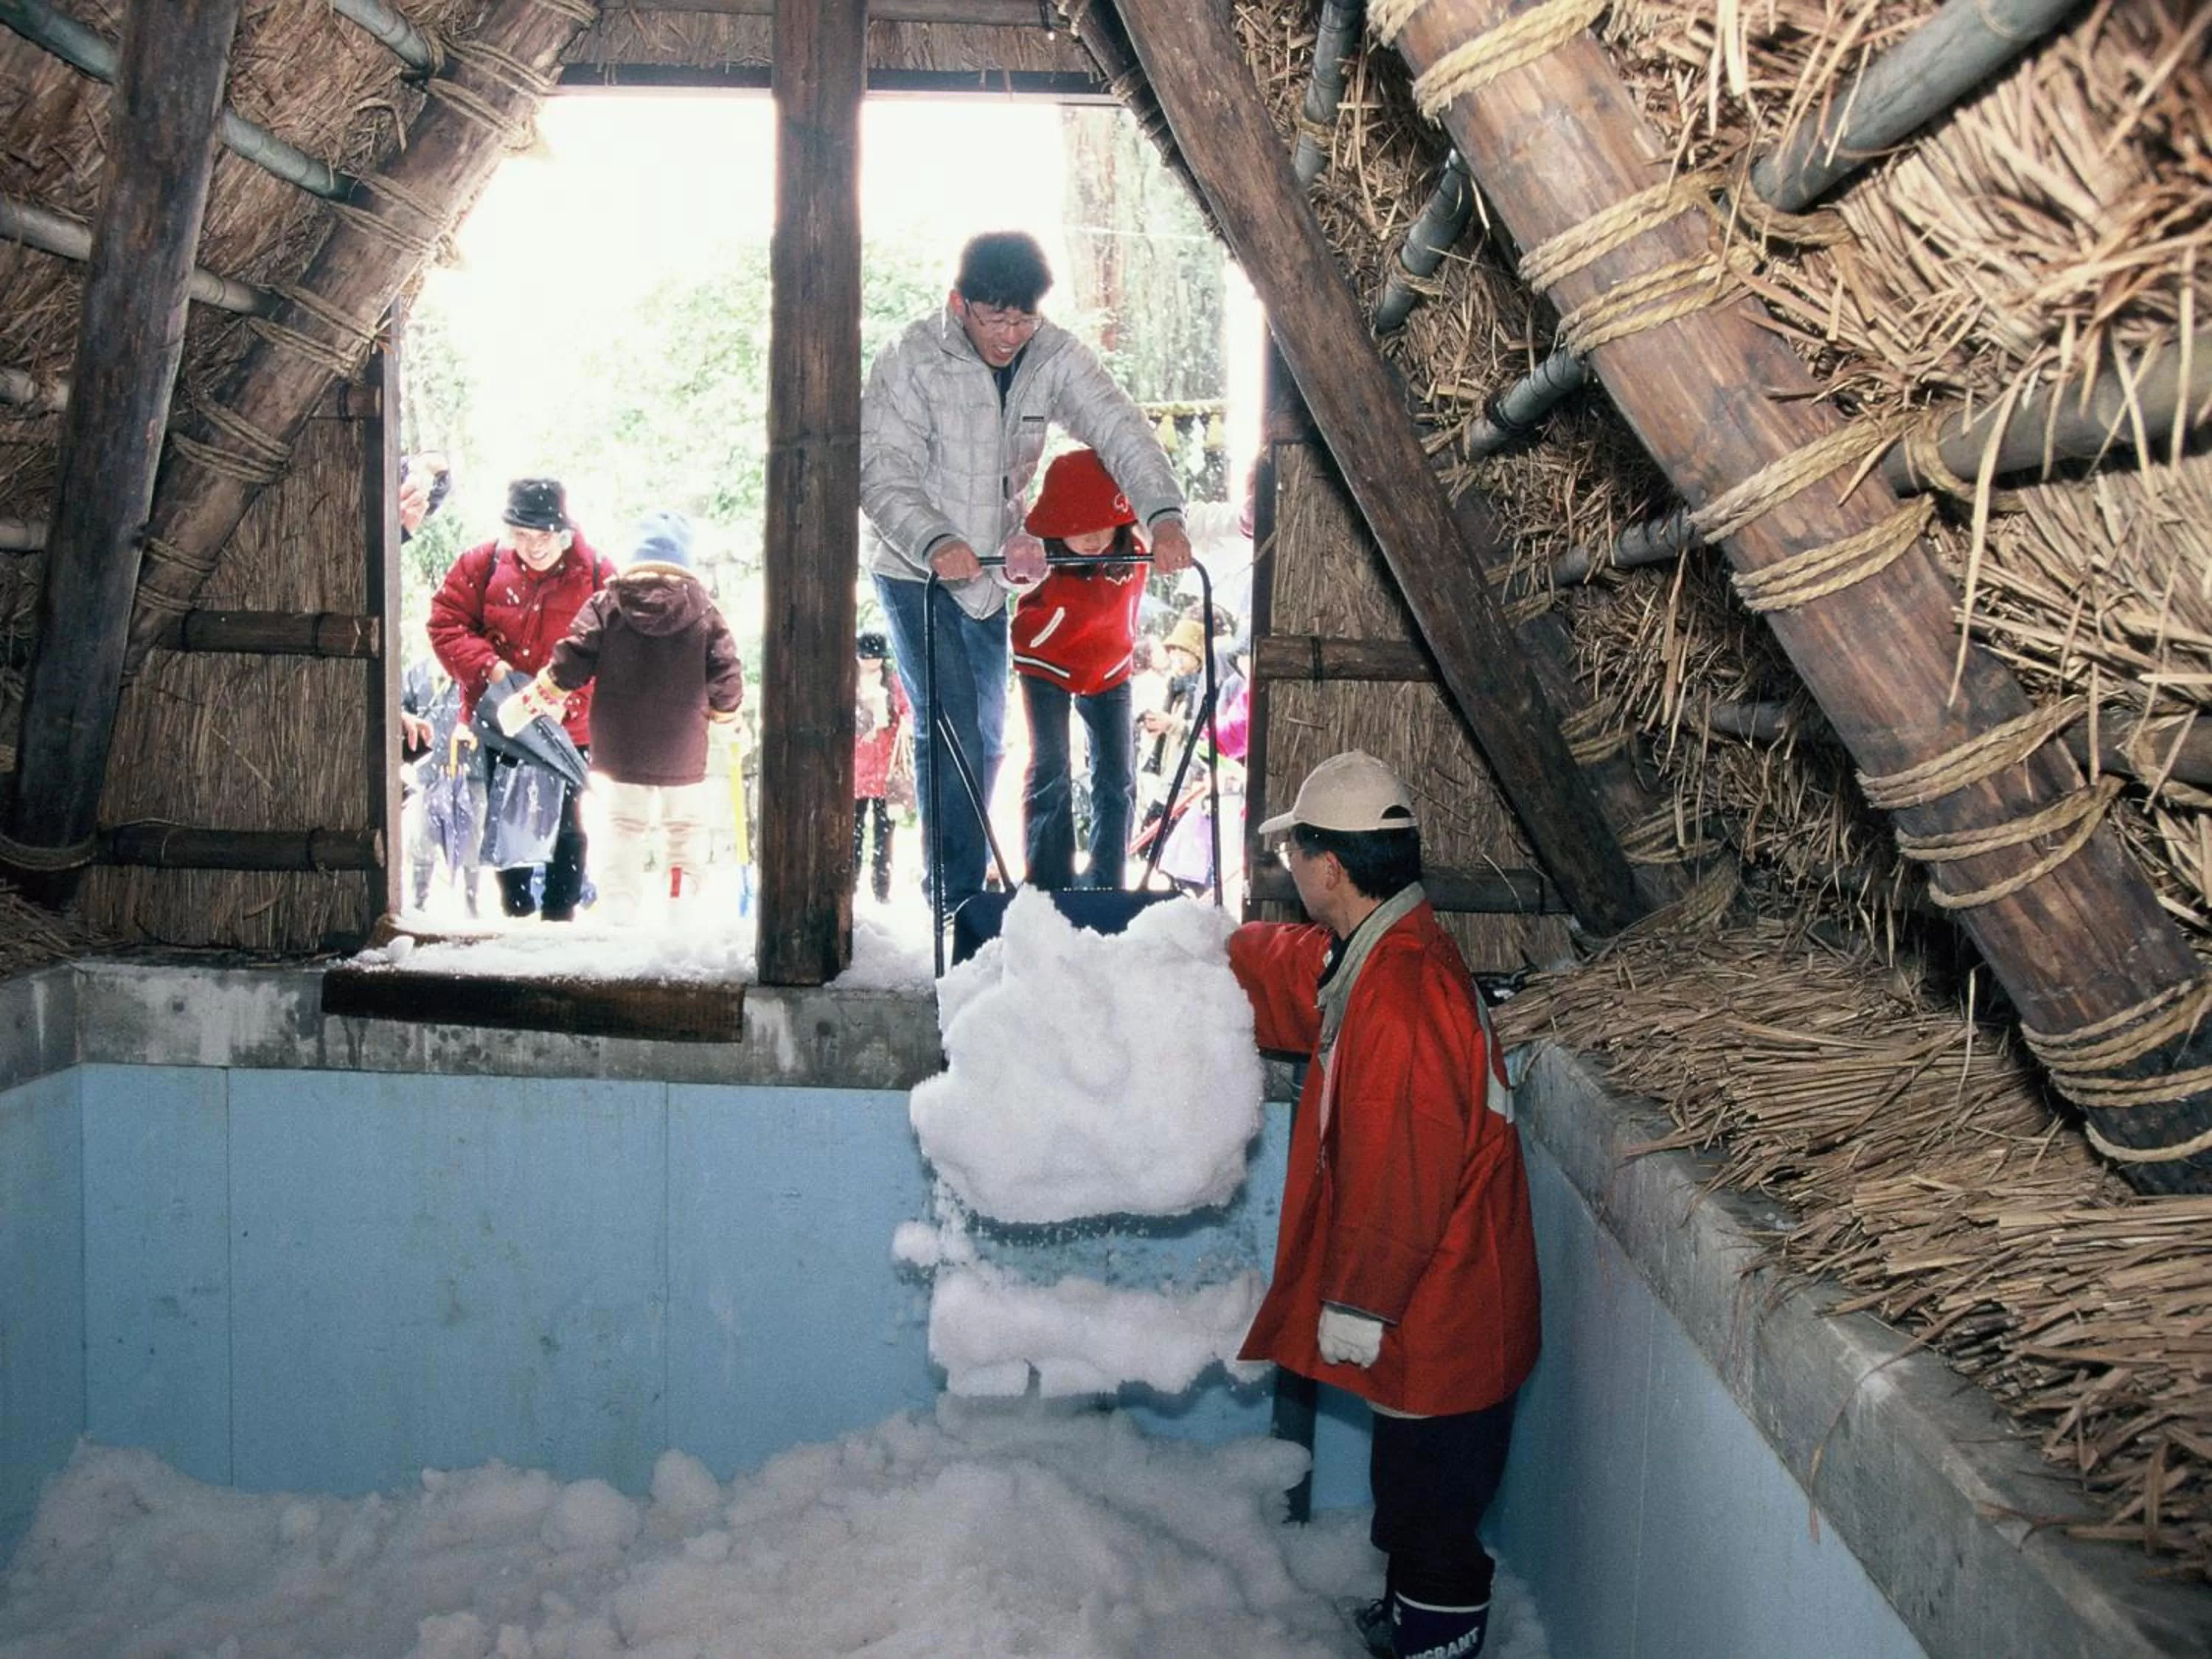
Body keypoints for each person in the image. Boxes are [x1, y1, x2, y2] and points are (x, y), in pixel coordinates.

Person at [1225, 751, 1540, 1659]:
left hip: (1442, 1311)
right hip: (1436, 1300)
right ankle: (1410, 1621)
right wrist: (1202, 951)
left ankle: (1436, 1639)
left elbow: (1403, 1176)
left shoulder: (1401, 1000)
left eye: (1295, 853)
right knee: (1409, 1490)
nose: (1290, 868)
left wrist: (1358, 1305)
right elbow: (1302, 972)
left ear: (1330, 867)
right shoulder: (1387, 950)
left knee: (1433, 1512)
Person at [859, 229, 1192, 916]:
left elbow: (1121, 430)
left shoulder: (1053, 356)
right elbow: (882, 471)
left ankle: (968, 875)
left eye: (1024, 319)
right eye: (995, 318)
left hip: (986, 576)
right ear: (959, 304)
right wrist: (935, 538)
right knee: (949, 723)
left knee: (986, 732)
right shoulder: (911, 359)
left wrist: (1163, 515)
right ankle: (954, 894)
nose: (1010, 334)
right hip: (916, 567)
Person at [512, 510, 743, 923]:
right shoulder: (704, 611)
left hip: (620, 743)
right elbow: (725, 670)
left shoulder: (607, 604)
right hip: (682, 743)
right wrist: (728, 718)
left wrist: (542, 692)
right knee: (684, 828)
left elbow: (574, 656)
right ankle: (678, 896)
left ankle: (619, 902)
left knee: (622, 826)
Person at [428, 477, 615, 921]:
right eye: (523, 534)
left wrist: (568, 695)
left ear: (564, 530)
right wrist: (490, 667)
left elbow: (615, 649)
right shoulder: (483, 564)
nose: (534, 546)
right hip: (505, 720)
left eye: (544, 535)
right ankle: (516, 911)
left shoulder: (596, 572)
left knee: (568, 822)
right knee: (506, 816)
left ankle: (560, 915)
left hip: (569, 724)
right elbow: (445, 624)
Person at [1009, 448, 1149, 891]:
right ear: (1055, 522)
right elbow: (1002, 573)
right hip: (1046, 661)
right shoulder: (1039, 555)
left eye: (1102, 524)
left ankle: (1108, 880)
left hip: (1109, 666)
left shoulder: (1135, 546)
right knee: (1051, 766)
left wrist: (1232, 521)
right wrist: (1013, 559)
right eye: (1078, 526)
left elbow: (1188, 520)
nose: (1093, 538)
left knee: (1117, 776)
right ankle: (1048, 882)